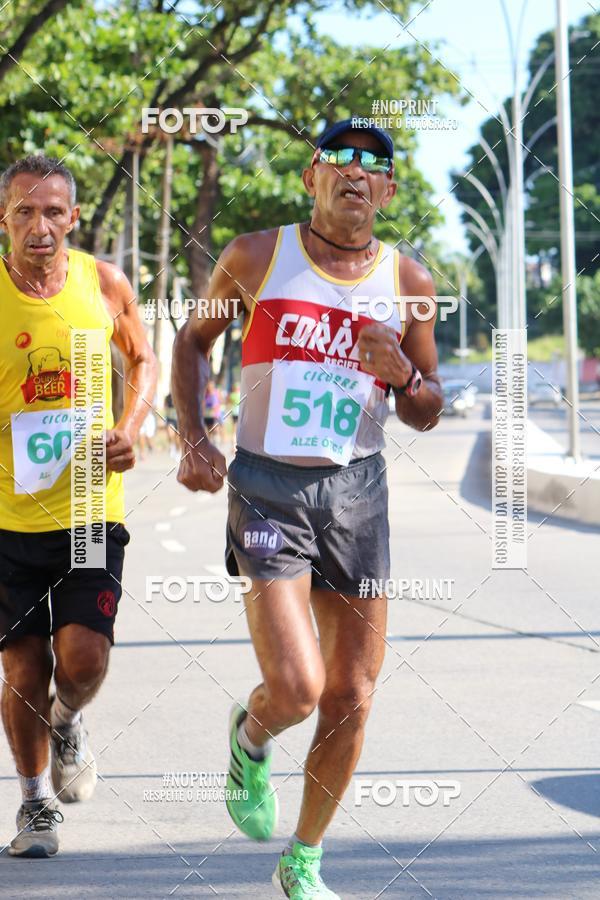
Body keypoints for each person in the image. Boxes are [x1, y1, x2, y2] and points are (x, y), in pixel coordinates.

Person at [172, 119, 442, 898]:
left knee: (352, 693)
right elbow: (192, 343)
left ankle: (303, 860)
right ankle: (252, 736)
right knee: (297, 686)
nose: (357, 172)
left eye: (375, 165)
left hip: (358, 488)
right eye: (341, 160)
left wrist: (398, 375)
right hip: (267, 484)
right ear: (312, 177)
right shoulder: (257, 256)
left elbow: (428, 407)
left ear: (387, 191)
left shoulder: (411, 283)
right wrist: (194, 439)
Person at [0, 155, 157, 857]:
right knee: (22, 670)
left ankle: (69, 720)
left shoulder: (103, 283)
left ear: (74, 218)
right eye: (25, 212)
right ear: (3, 217)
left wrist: (132, 426)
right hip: (7, 520)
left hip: (92, 509)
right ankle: (35, 806)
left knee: (83, 660)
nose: (41, 227)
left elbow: (145, 358)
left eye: (53, 212)